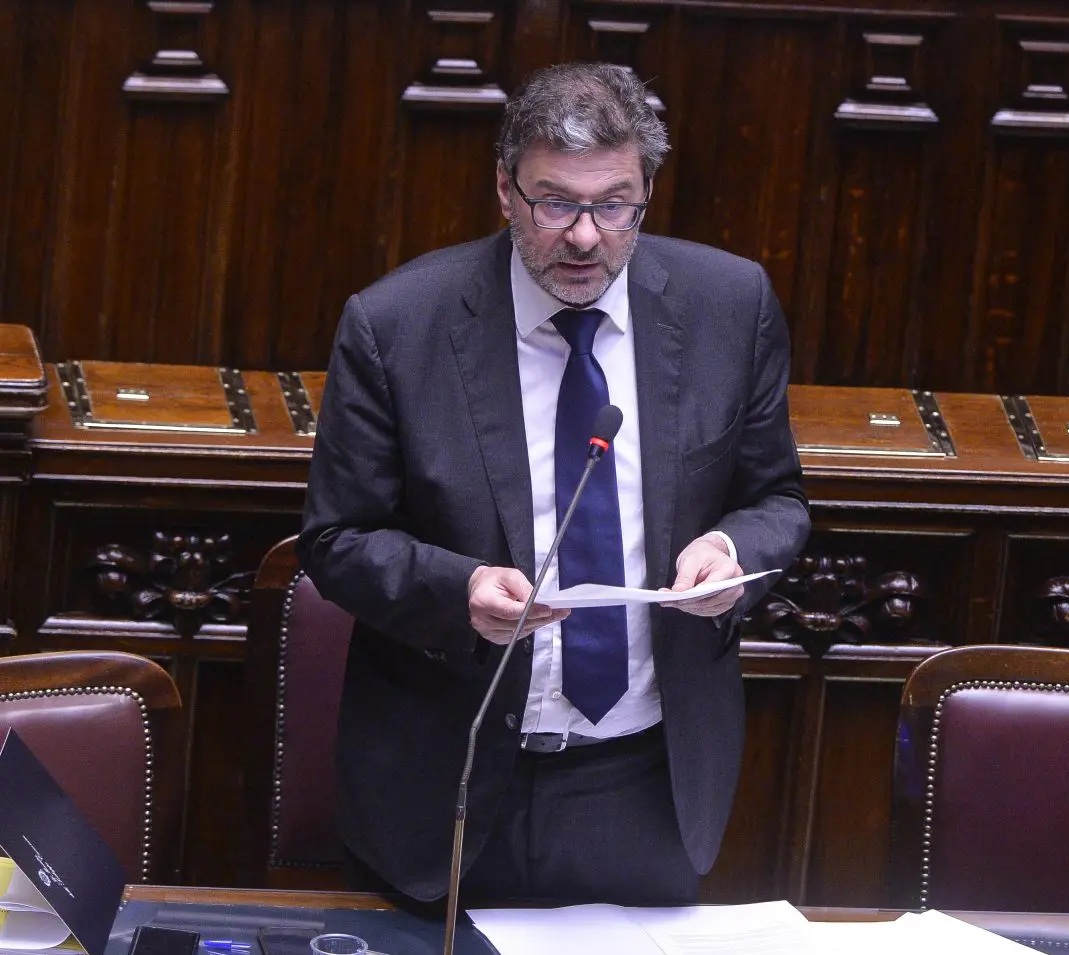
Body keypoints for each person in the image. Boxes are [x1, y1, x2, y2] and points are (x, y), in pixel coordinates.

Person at [297, 61, 810, 910]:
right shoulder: (398, 325)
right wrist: (459, 589)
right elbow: (336, 538)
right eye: (556, 204)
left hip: (644, 784)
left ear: (646, 194)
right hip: (448, 777)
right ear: (505, 190)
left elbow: (777, 499)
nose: (584, 237)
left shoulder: (729, 305)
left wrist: (729, 549)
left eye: (614, 206)